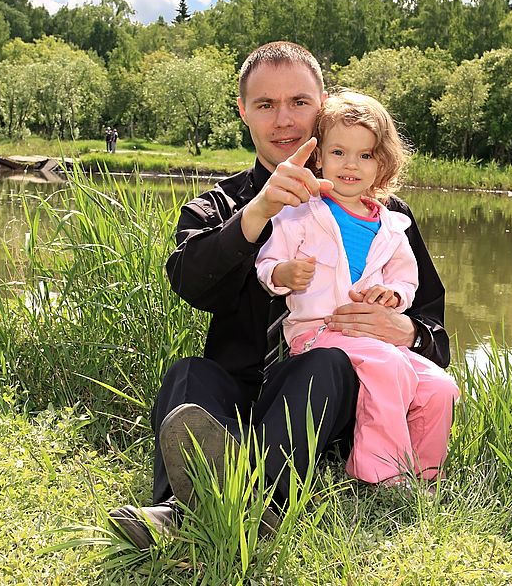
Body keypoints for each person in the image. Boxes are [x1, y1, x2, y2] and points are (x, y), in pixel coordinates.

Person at [108, 41, 451, 549]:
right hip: (238, 392)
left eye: (299, 102)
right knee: (189, 373)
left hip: (324, 400)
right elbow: (189, 280)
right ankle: (202, 509)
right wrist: (257, 213)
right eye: (266, 105)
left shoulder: (381, 214)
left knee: (329, 361)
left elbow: (435, 332)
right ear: (244, 111)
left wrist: (406, 330)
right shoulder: (219, 204)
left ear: (324, 105)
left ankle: (213, 511)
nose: (284, 120)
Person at [254, 90, 459, 486]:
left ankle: (425, 477)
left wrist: (393, 297)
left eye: (365, 155)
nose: (351, 165)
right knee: (390, 366)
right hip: (318, 333)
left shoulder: (393, 225)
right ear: (318, 156)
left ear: (382, 163)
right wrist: (283, 274)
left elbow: (406, 280)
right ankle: (379, 474)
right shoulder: (300, 212)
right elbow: (266, 264)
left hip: (375, 340)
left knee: (439, 386)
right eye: (339, 152)